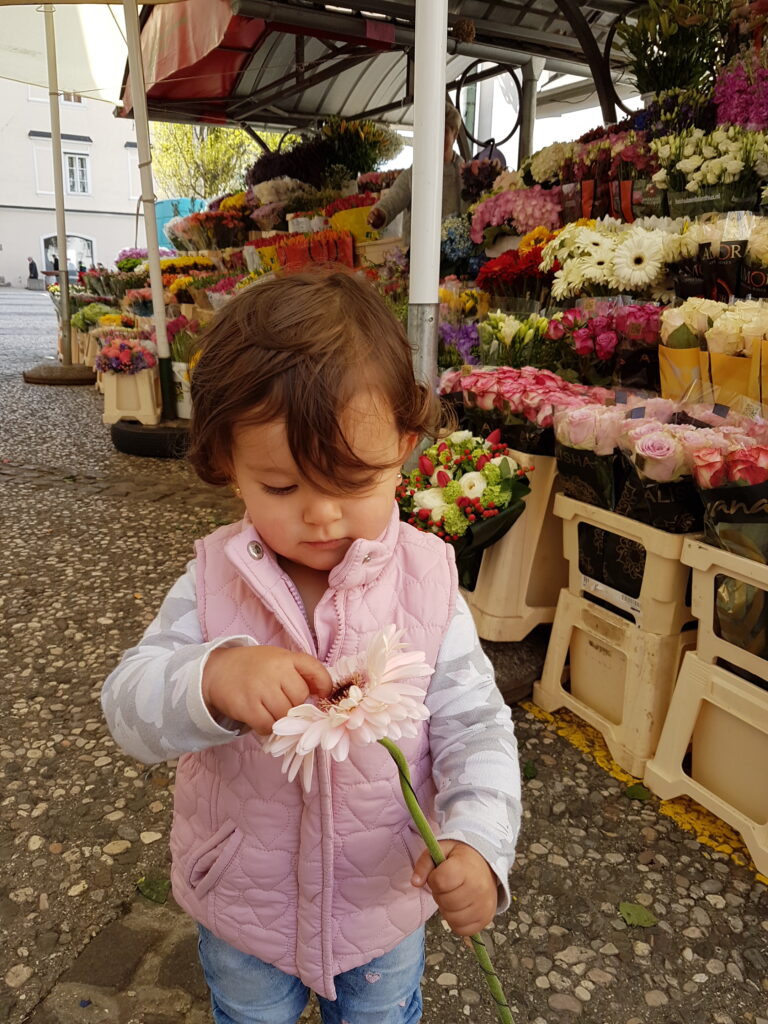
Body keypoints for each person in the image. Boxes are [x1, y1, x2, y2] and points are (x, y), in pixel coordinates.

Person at [101, 269, 521, 1024]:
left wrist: (479, 841)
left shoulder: (426, 584)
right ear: (227, 463)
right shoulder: (212, 582)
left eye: (353, 481)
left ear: (403, 449)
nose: (322, 514)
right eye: (282, 487)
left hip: (382, 903)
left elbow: (477, 726)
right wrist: (211, 678)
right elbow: (126, 708)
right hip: (245, 908)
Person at [367, 101, 465, 247]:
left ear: (455, 134)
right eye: (431, 130)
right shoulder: (414, 174)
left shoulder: (465, 175)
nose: (436, 136)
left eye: (443, 131)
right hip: (417, 253)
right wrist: (380, 213)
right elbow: (394, 199)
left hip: (458, 254)